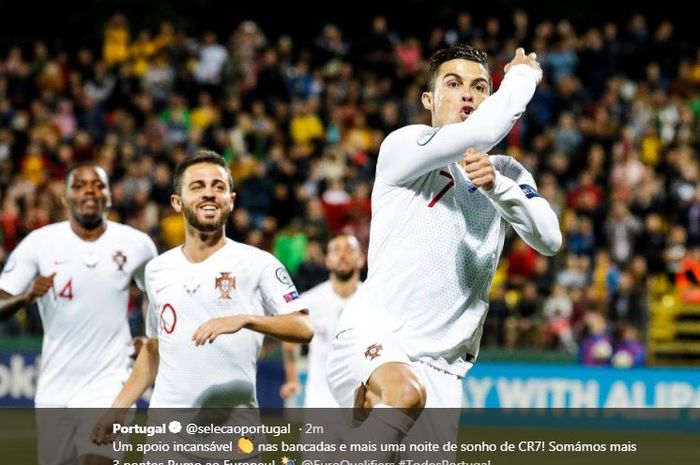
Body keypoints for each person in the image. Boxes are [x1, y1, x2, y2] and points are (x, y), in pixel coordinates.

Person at [325, 44, 561, 459]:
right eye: (453, 85)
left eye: (480, 88)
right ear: (429, 99)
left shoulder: (506, 172)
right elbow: (478, 134)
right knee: (404, 394)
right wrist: (522, 79)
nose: (468, 95)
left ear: (490, 100)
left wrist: (498, 189)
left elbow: (549, 239)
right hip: (376, 336)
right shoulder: (404, 147)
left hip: (445, 370)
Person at [91, 151, 312, 458]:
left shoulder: (258, 263)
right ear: (177, 202)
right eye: (197, 186)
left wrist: (247, 319)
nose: (209, 192)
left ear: (231, 200)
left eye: (218, 186)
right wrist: (116, 409)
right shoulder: (157, 270)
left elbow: (303, 327)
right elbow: (155, 348)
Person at [0, 161, 157, 465]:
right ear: (65, 198)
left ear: (109, 196)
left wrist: (149, 338)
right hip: (55, 388)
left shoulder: (137, 244)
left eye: (98, 185)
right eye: (80, 185)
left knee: (96, 459)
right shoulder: (40, 243)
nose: (90, 191)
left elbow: (160, 296)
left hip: (111, 382)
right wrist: (26, 296)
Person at [280, 233, 365, 407]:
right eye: (336, 250)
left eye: (349, 250)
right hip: (319, 401)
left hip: (363, 403)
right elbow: (289, 341)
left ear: (361, 259)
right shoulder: (309, 301)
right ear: (327, 260)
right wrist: (292, 379)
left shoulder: (373, 300)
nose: (342, 255)